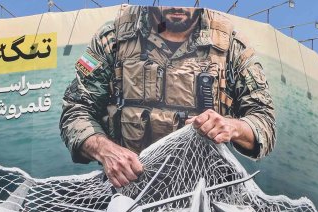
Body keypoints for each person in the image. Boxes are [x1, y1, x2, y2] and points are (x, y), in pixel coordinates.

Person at [59, 6, 276, 188]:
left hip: (203, 188)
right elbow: (76, 109)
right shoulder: (112, 38)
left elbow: (264, 122)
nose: (178, 8)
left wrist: (232, 126)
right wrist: (105, 150)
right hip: (127, 187)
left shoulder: (232, 46)